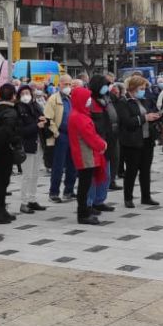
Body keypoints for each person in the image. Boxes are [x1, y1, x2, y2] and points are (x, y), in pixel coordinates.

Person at [116, 75, 160, 208]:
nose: (143, 91)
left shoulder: (144, 100)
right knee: (131, 171)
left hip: (147, 140)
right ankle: (128, 198)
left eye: (144, 88)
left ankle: (146, 196)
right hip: (132, 141)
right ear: (132, 88)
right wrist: (145, 118)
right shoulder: (124, 102)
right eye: (141, 88)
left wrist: (156, 116)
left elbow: (150, 112)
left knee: (145, 170)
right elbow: (127, 122)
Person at [67, 87, 106, 226]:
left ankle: (84, 212)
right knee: (84, 185)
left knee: (85, 184)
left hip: (83, 154)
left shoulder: (78, 113)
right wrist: (102, 145)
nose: (89, 100)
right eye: (87, 97)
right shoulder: (79, 116)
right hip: (85, 155)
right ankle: (83, 214)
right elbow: (90, 136)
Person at [0, 84, 21, 224]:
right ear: (13, 96)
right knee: (2, 182)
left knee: (1, 182)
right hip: (4, 149)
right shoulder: (9, 112)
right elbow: (5, 132)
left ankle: (0, 209)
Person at [86, 76, 117, 211]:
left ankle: (99, 201)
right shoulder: (90, 102)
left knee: (106, 174)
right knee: (93, 176)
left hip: (107, 141)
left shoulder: (105, 99)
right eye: (104, 85)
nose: (107, 87)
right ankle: (89, 202)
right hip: (96, 143)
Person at [44, 75, 76, 203]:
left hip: (72, 135)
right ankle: (54, 192)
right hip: (61, 135)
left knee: (72, 165)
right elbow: (48, 118)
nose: (68, 87)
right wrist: (56, 133)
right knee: (58, 165)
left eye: (70, 84)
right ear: (59, 84)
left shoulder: (71, 98)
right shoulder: (53, 99)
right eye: (65, 84)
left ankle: (69, 190)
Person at [15, 85, 46, 215]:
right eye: (23, 93)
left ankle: (32, 199)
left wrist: (45, 121)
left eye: (28, 92)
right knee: (27, 175)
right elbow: (20, 131)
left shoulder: (36, 106)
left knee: (35, 174)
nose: (26, 95)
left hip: (38, 144)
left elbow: (43, 119)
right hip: (27, 146)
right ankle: (24, 202)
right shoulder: (18, 109)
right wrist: (36, 125)